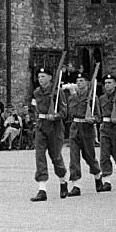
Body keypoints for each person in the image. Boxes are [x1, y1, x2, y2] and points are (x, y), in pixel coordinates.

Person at [30, 66, 69, 202]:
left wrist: (56, 115)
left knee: (56, 157)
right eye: (39, 77)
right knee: (39, 155)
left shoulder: (58, 92)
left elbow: (64, 112)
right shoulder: (36, 92)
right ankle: (42, 189)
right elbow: (34, 108)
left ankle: (63, 181)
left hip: (55, 127)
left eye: (43, 77)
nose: (40, 79)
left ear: (50, 78)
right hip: (41, 126)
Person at [67, 71, 103, 195]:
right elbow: (69, 114)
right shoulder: (72, 97)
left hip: (87, 129)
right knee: (74, 157)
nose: (79, 83)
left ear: (87, 83)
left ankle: (98, 176)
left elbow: (99, 117)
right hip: (75, 127)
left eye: (81, 81)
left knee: (89, 156)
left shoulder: (93, 98)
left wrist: (93, 119)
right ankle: (76, 185)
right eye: (77, 81)